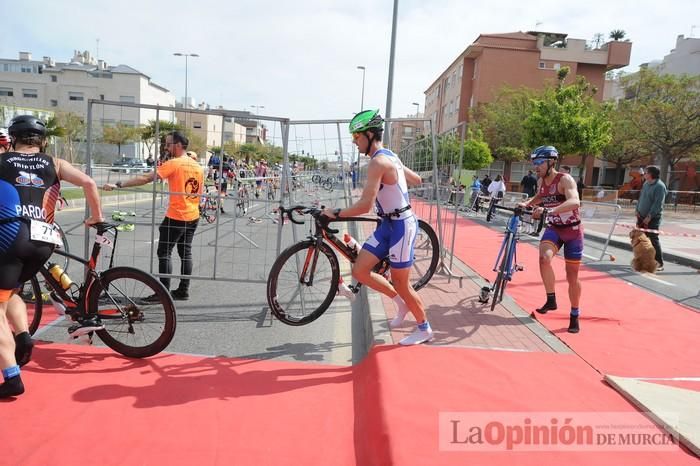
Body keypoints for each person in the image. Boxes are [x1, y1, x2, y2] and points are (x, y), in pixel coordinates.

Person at [0, 117, 104, 398]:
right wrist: (96, 218)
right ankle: (22, 337)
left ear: (13, 139)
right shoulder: (54, 163)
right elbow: (89, 183)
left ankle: (11, 377)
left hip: (10, 237)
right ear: (43, 140)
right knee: (8, 293)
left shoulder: (2, 161)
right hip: (45, 241)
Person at [322, 109, 432, 345]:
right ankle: (400, 303)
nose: (354, 142)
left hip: (402, 226)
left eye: (356, 137)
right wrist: (399, 176)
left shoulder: (378, 162)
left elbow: (365, 205)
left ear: (370, 135)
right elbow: (417, 180)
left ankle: (424, 327)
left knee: (402, 283)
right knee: (360, 271)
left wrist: (335, 213)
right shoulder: (390, 157)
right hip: (387, 225)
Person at [103, 131, 204, 301]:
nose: (166, 147)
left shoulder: (175, 163)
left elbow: (145, 178)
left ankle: (162, 293)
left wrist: (119, 184)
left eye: (168, 144)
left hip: (177, 216)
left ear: (179, 145)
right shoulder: (197, 166)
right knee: (185, 253)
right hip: (193, 215)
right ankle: (183, 290)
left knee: (164, 252)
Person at [520, 145, 583, 334]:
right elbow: (541, 195)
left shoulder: (564, 179)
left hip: (572, 231)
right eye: (534, 163)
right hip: (554, 228)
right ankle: (551, 299)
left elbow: (575, 201)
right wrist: (527, 203)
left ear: (551, 162)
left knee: (572, 276)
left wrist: (549, 211)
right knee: (543, 258)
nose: (536, 166)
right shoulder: (541, 181)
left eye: (539, 162)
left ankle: (574, 314)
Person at [635, 165, 667, 271]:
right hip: (641, 216)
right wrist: (637, 210)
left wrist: (650, 216)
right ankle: (641, 260)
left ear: (652, 174)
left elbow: (658, 204)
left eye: (646, 172)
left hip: (653, 218)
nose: (644, 174)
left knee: (653, 240)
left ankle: (659, 263)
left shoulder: (660, 186)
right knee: (640, 239)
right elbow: (641, 198)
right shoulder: (646, 183)